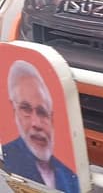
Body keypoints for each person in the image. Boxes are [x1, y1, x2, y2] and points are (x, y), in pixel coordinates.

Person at [3, 60, 79, 193]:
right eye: (26, 109)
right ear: (14, 110)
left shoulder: (69, 175)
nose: (36, 123)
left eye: (42, 112)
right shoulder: (9, 159)